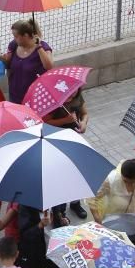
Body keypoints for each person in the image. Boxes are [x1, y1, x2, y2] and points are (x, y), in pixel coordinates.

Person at [43, 88, 90, 219]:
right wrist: (65, 121)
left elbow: (85, 113)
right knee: (61, 175)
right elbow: (45, 121)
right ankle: (59, 211)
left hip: (74, 139)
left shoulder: (78, 98)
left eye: (76, 90)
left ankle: (75, 203)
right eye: (71, 91)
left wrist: (84, 123)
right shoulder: (54, 100)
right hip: (57, 141)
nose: (74, 93)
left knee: (76, 173)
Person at [90, 159, 135, 230]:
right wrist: (97, 218)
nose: (129, 185)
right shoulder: (111, 180)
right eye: (125, 181)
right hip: (115, 222)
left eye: (133, 182)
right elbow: (92, 198)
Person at [0, 19, 53, 104]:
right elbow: (8, 63)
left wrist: (39, 47)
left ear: (25, 35)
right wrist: (3, 59)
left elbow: (49, 66)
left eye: (16, 36)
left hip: (35, 96)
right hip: (15, 95)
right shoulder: (13, 45)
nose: (14, 39)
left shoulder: (44, 47)